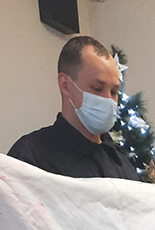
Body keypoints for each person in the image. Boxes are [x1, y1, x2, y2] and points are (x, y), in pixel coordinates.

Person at [8, 36, 138, 181]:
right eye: (97, 88)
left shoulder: (124, 166)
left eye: (114, 92)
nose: (108, 100)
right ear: (66, 85)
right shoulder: (29, 158)